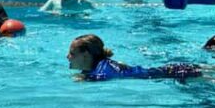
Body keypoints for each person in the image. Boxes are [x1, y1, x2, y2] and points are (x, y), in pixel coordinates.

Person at [67, 34, 202, 82]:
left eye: (72, 53)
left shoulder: (104, 67)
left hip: (174, 73)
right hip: (169, 71)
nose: (68, 57)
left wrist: (88, 79)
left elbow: (110, 75)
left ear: (85, 55)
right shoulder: (96, 66)